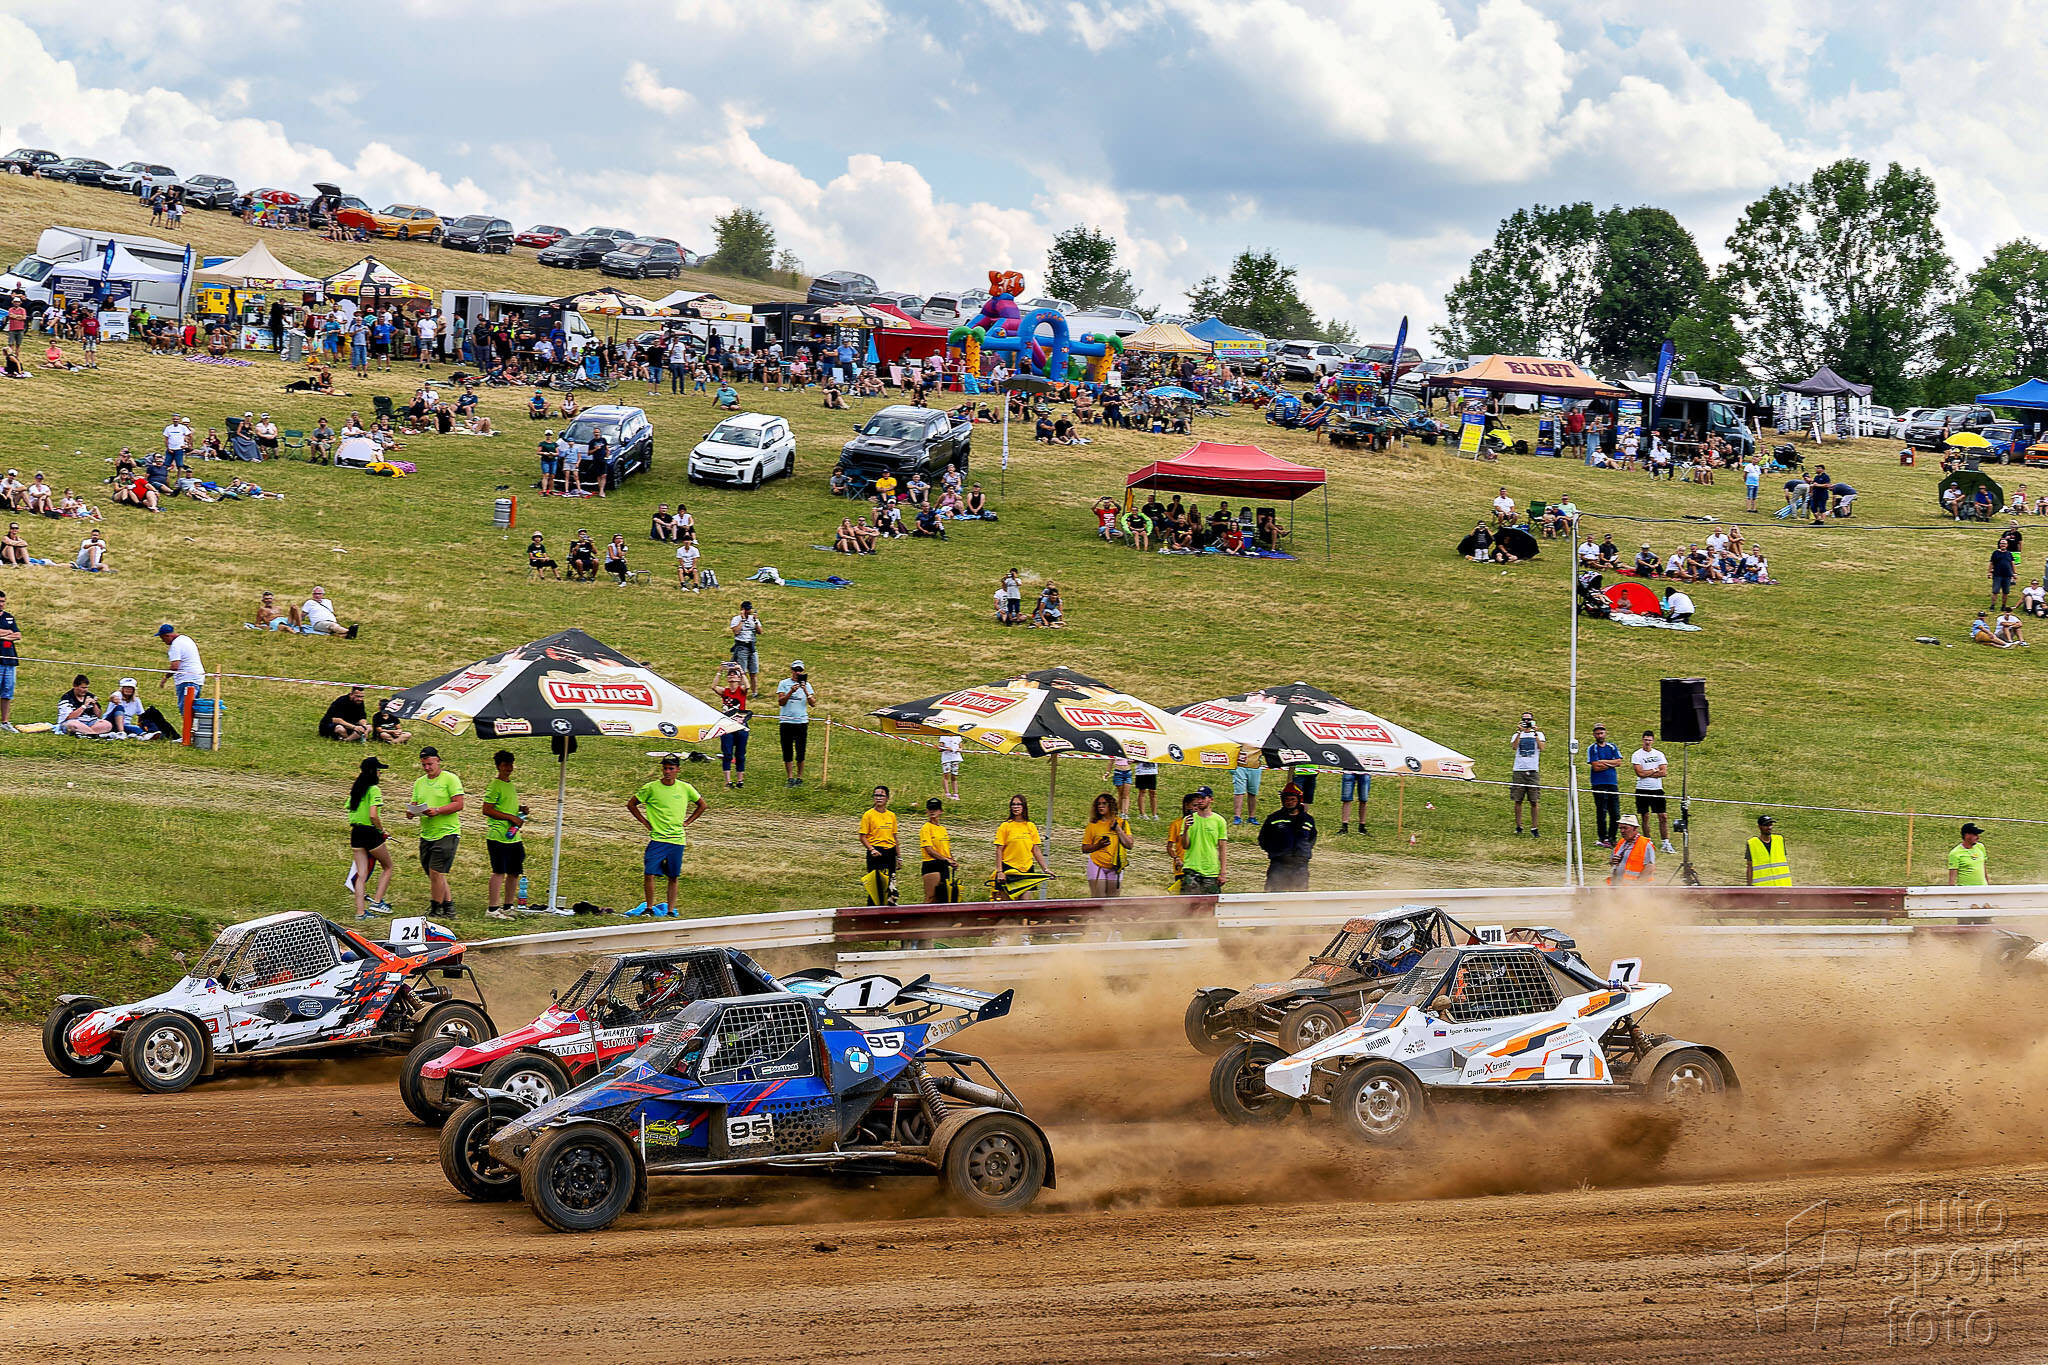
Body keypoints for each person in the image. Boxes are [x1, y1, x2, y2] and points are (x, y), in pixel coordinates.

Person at [627, 754, 704, 917]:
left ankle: (670, 910)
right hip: (658, 839)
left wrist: (688, 822)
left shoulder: (686, 788)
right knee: (649, 873)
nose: (667, 772)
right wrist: (645, 822)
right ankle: (649, 907)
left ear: (678, 770)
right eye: (665, 768)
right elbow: (632, 804)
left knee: (673, 876)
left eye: (671, 768)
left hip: (677, 840)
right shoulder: (651, 788)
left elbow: (702, 805)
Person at [406, 747, 465, 917]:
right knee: (434, 874)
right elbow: (414, 803)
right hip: (427, 833)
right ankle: (449, 907)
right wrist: (411, 812)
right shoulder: (419, 782)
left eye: (430, 764)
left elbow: (459, 804)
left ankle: (435, 909)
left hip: (447, 832)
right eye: (423, 765)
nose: (427, 768)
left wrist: (438, 810)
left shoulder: (450, 779)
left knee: (436, 871)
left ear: (438, 761)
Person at [481, 749, 530, 919]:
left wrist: (520, 809)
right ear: (498, 766)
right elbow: (487, 809)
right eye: (505, 765)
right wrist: (511, 817)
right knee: (499, 871)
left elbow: (505, 805)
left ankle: (508, 906)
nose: (509, 768)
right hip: (498, 836)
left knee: (514, 871)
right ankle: (493, 909)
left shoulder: (509, 784)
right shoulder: (495, 785)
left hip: (513, 837)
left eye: (510, 764)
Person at [346, 756, 396, 921]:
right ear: (374, 772)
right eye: (379, 770)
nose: (380, 773)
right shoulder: (374, 789)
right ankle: (377, 901)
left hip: (356, 833)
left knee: (361, 874)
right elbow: (373, 815)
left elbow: (350, 810)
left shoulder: (356, 790)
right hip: (369, 833)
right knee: (388, 866)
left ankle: (360, 913)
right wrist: (382, 831)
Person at [1256, 782, 1317, 891]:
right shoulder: (1273, 818)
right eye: (1286, 799)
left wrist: (1303, 851)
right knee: (1274, 895)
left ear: (1299, 800)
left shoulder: (1308, 820)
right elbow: (1263, 839)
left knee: (1299, 896)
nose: (1289, 802)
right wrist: (1276, 851)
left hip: (1300, 865)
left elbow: (1312, 838)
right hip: (1278, 864)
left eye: (1292, 799)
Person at [992, 793, 1050, 900]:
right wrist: (1000, 871)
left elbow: (1036, 849)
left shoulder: (1030, 826)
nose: (1015, 807)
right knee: (1006, 906)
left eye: (1018, 804)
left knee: (1025, 904)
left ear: (1024, 807)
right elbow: (999, 849)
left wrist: (1045, 869)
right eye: (1013, 804)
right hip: (1008, 869)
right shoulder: (1005, 826)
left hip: (1026, 869)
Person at [1081, 793, 1134, 897]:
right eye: (1098, 804)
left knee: (1112, 900)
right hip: (1097, 864)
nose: (1100, 806)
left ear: (1111, 805)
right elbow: (1084, 848)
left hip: (1115, 865)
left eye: (1104, 804)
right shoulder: (1092, 825)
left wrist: (1118, 829)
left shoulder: (1121, 823)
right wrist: (1098, 845)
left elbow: (1129, 845)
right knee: (1099, 898)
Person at [1179, 786, 1229, 894]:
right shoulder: (1188, 819)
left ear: (1211, 799)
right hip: (1191, 867)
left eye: (1203, 798)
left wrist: (1223, 872)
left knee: (1210, 903)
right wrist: (1186, 829)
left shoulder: (1219, 821)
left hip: (1211, 870)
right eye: (1198, 798)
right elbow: (1185, 845)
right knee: (1188, 902)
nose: (1199, 801)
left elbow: (1222, 848)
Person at [1631, 730, 1673, 852]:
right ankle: (1647, 842)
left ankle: (1665, 842)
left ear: (1653, 741)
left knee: (1663, 816)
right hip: (1642, 789)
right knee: (1645, 816)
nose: (1647, 742)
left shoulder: (1659, 754)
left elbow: (1663, 772)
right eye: (1645, 740)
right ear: (1642, 740)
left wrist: (1647, 773)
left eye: (1649, 740)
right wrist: (1654, 770)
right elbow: (1639, 773)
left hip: (1657, 789)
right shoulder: (1637, 755)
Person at [777, 660, 815, 787]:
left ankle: (799, 777)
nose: (797, 673)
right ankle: (790, 777)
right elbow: (781, 702)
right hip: (786, 721)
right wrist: (790, 692)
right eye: (796, 670)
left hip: (801, 722)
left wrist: (805, 691)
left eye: (800, 670)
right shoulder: (784, 683)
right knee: (787, 749)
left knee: (800, 750)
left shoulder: (807, 685)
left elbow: (813, 703)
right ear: (792, 670)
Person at [859, 786, 900, 905]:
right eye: (876, 795)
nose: (878, 798)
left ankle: (888, 910)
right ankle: (872, 910)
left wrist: (899, 856)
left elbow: (894, 837)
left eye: (881, 795)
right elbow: (862, 837)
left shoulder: (891, 815)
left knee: (890, 886)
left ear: (887, 798)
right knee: (876, 886)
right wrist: (871, 849)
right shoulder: (868, 815)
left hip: (890, 852)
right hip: (876, 852)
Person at [1585, 723, 1623, 846]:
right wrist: (1611, 763)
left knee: (1615, 812)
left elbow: (1618, 762)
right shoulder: (1592, 748)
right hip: (1598, 783)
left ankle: (1612, 837)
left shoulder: (1612, 747)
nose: (1600, 735)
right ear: (1594, 735)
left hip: (1612, 783)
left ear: (1605, 733)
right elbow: (1596, 767)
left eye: (1601, 733)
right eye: (1597, 733)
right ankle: (1603, 837)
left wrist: (1604, 762)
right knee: (1601, 811)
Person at [1508, 711, 1544, 838]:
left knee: (1534, 800)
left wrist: (1535, 733)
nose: (1526, 722)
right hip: (1519, 769)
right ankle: (1519, 826)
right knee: (1518, 799)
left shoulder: (1539, 734)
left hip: (1533, 770)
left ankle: (1534, 827)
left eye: (1528, 720)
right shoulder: (1517, 734)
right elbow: (1514, 747)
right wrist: (1519, 732)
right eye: (1524, 719)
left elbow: (1542, 747)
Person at [156, 623, 204, 714]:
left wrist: (165, 678)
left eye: (162, 638)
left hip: (186, 680)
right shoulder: (186, 639)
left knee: (186, 711)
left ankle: (188, 724)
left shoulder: (175, 645)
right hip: (198, 678)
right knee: (192, 710)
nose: (163, 641)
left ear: (167, 636)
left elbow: (175, 666)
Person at [918, 798, 957, 903]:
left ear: (940, 811)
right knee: (931, 898)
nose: (932, 811)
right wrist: (946, 860)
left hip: (944, 865)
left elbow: (946, 848)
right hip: (931, 864)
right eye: (930, 809)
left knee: (944, 898)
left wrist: (952, 860)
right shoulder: (926, 828)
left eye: (935, 809)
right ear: (927, 811)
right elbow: (929, 850)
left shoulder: (942, 829)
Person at [1608, 811, 1654, 885]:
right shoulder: (1621, 843)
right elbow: (1612, 862)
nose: (1622, 831)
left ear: (1635, 828)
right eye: (1620, 828)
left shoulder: (1645, 844)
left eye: (1625, 828)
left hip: (1636, 887)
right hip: (1618, 886)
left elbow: (1649, 867)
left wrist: (1637, 886)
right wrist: (1613, 861)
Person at [1744, 814, 1790, 887]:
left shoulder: (1779, 840)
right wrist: (1749, 887)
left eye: (1770, 825)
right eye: (1766, 825)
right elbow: (1749, 867)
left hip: (1783, 885)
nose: (1769, 827)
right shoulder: (1752, 844)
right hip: (1762, 888)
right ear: (1759, 826)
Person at [1948, 822, 1989, 887]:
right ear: (1967, 835)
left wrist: (1988, 885)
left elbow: (1983, 866)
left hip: (1982, 888)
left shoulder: (1980, 847)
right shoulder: (1955, 853)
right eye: (1975, 835)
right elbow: (1952, 879)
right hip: (1966, 890)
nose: (1978, 837)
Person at [0, 588, 17, 731]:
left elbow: (18, 635)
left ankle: (5, 722)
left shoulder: (9, 617)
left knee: (7, 691)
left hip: (10, 660)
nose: (1, 604)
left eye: (3, 601)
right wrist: (8, 633)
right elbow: (11, 633)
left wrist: (3, 635)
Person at [1231, 751, 1263, 826]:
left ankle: (1252, 817)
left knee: (1253, 792)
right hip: (1239, 766)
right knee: (1239, 791)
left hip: (1255, 767)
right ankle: (1237, 817)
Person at [1991, 536, 2017, 611]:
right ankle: (1992, 606)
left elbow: (2012, 564)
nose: (2003, 545)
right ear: (1999, 544)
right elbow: (1991, 563)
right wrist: (1989, 572)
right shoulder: (1995, 553)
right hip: (1997, 575)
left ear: (2007, 545)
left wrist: (2014, 573)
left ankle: (2003, 606)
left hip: (2007, 576)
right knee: (1995, 591)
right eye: (2002, 543)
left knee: (2005, 592)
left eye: (2004, 543)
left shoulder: (2009, 554)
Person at [939, 731, 963, 801]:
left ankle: (955, 794)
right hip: (946, 759)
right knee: (946, 774)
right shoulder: (943, 736)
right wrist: (946, 748)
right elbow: (940, 748)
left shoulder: (958, 737)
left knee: (954, 775)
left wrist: (959, 749)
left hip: (956, 758)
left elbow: (961, 747)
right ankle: (947, 793)